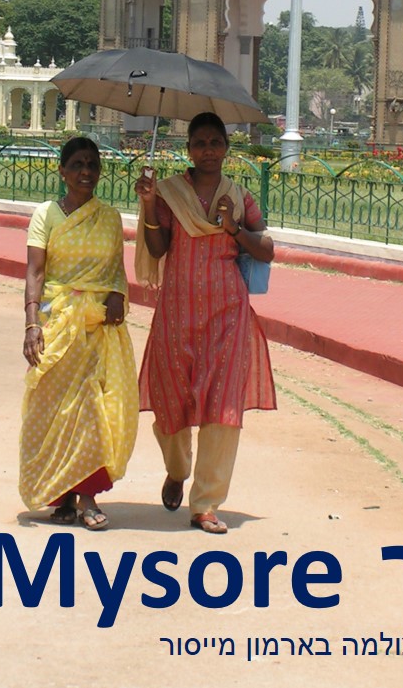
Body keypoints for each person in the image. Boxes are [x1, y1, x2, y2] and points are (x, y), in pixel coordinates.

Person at [134, 112, 276, 533]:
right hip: (177, 312)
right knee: (171, 397)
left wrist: (233, 228)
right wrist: (147, 204)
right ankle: (177, 468)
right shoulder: (169, 192)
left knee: (222, 405)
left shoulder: (240, 196)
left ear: (226, 149)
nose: (208, 150)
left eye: (216, 142)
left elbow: (266, 249)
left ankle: (207, 503)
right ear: (189, 149)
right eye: (200, 143)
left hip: (227, 313)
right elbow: (157, 248)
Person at [20, 137, 138, 530]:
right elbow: (36, 272)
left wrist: (119, 295)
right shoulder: (46, 215)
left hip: (98, 327)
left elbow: (116, 269)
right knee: (56, 409)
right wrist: (31, 323)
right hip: (57, 323)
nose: (86, 171)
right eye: (78, 164)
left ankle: (87, 496)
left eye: (92, 164)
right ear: (63, 171)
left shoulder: (109, 217)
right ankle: (64, 495)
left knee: (92, 408)